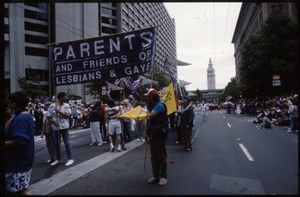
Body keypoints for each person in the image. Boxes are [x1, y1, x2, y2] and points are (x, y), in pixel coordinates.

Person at [5, 91, 35, 195]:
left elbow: (19, 141)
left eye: (9, 102)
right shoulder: (26, 116)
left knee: (17, 191)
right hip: (23, 160)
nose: (8, 105)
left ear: (14, 104)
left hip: (17, 162)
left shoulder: (20, 119)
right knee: (23, 190)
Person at [144, 88, 169, 186]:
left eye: (148, 97)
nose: (147, 98)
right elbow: (148, 121)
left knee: (161, 156)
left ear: (152, 97)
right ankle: (156, 175)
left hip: (159, 134)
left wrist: (146, 110)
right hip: (153, 133)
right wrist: (146, 131)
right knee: (153, 156)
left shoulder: (160, 105)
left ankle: (163, 177)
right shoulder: (152, 106)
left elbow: (149, 116)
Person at [47, 92, 74, 166]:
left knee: (67, 143)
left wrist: (60, 112)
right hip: (56, 127)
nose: (66, 98)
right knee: (56, 144)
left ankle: (70, 158)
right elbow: (48, 116)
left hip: (64, 126)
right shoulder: (52, 106)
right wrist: (54, 122)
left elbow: (68, 115)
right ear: (60, 97)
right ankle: (58, 159)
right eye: (65, 97)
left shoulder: (67, 106)